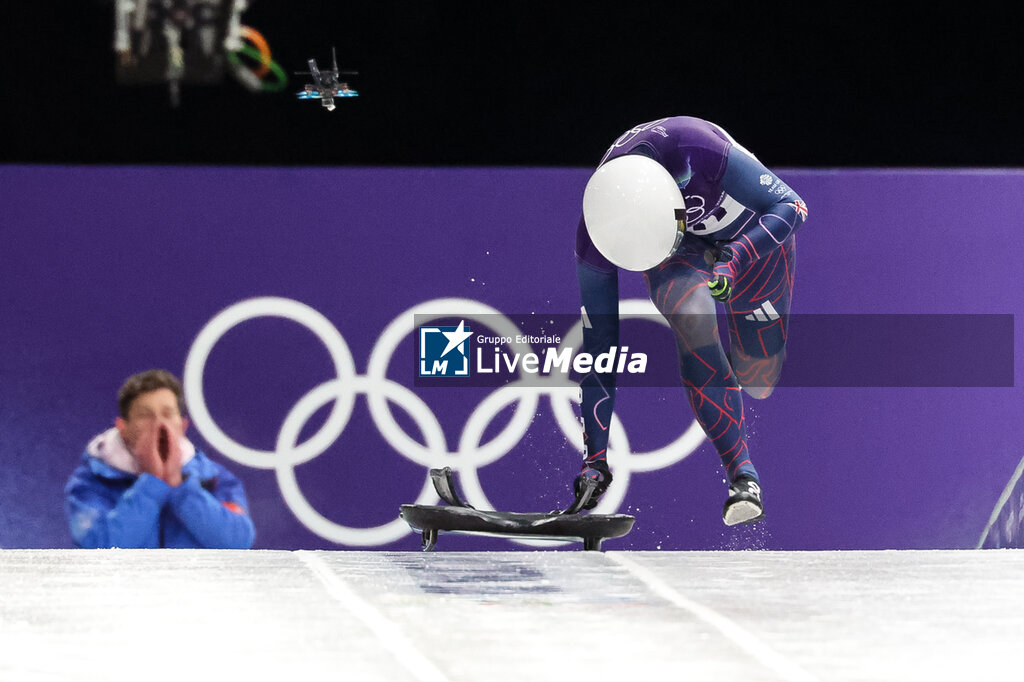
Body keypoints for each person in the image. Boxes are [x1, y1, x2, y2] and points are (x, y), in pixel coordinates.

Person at [573, 116, 809, 525]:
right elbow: (600, 349)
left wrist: (735, 258)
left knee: (758, 381)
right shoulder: (598, 230)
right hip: (683, 257)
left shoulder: (695, 148)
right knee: (690, 313)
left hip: (750, 246)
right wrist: (594, 457)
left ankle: (732, 372)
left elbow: (793, 205)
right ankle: (743, 478)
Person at [65, 369, 256, 548]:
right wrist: (151, 483)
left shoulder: (214, 477)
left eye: (167, 414)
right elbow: (98, 546)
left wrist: (179, 486)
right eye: (145, 415)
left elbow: (238, 542)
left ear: (183, 425)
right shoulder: (91, 481)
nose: (159, 424)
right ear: (122, 427)